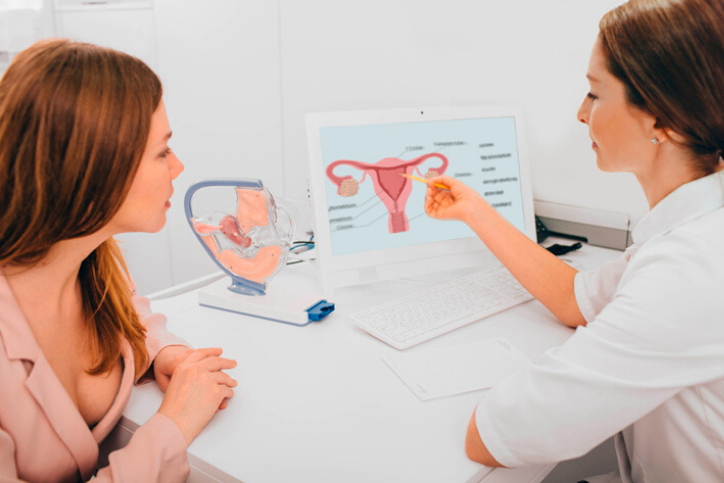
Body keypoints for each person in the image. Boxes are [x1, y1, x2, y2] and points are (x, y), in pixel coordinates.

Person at [424, 0, 724, 481]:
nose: (581, 114)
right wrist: (474, 211)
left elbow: (493, 436)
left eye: (595, 94)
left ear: (661, 120)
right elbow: (574, 300)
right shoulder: (696, 225)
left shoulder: (691, 269)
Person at [0, 39, 238, 482]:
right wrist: (173, 426)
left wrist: (162, 352)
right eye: (162, 151)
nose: (179, 166)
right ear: (94, 169)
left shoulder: (90, 260)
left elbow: (130, 314)